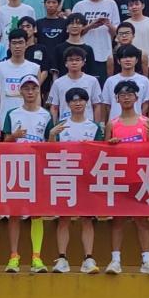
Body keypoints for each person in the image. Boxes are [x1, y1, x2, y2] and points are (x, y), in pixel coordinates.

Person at [103, 80, 149, 275]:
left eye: (130, 94)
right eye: (122, 94)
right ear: (117, 99)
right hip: (119, 178)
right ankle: (115, 260)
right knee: (118, 220)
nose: (126, 97)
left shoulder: (146, 122)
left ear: (137, 97)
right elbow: (104, 153)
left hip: (140, 178)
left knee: (142, 220)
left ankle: (146, 260)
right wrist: (111, 145)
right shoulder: (112, 124)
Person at [46, 87, 103, 273]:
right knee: (64, 218)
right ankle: (62, 258)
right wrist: (52, 136)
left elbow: (99, 154)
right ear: (68, 104)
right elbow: (50, 152)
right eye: (73, 100)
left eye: (81, 100)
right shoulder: (60, 126)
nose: (77, 103)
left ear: (86, 103)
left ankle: (89, 258)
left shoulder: (94, 127)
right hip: (65, 177)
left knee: (87, 218)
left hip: (86, 179)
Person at [2, 75, 53, 273]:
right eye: (26, 88)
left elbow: (51, 144)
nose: (30, 92)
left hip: (37, 169)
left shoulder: (46, 115)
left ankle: (36, 258)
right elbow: (3, 143)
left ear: (38, 91)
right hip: (16, 168)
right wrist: (14, 136)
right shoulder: (12, 113)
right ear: (20, 91)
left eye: (33, 88)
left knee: (36, 213)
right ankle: (13, 257)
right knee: (14, 213)